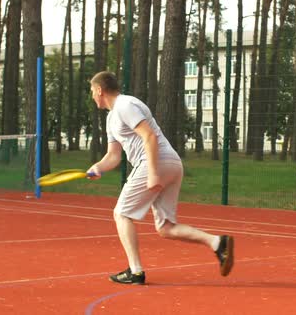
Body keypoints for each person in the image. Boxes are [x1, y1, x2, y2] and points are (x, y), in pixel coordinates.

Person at [87, 71, 235, 285]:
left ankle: (135, 271)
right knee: (166, 228)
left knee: (121, 214)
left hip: (155, 163)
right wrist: (98, 167)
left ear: (100, 90)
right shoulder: (112, 117)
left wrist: (154, 172)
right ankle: (217, 243)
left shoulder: (124, 105)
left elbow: (149, 136)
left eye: (92, 91)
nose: (92, 95)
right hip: (170, 164)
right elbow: (113, 156)